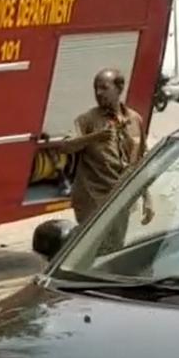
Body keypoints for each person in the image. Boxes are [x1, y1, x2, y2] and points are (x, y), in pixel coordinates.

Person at [43, 68, 153, 249]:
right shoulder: (86, 120)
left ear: (119, 88)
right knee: (92, 251)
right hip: (92, 200)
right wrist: (93, 137)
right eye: (96, 88)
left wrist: (147, 198)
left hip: (120, 199)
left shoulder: (135, 120)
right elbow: (65, 147)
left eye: (103, 88)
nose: (98, 93)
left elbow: (141, 159)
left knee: (115, 249)